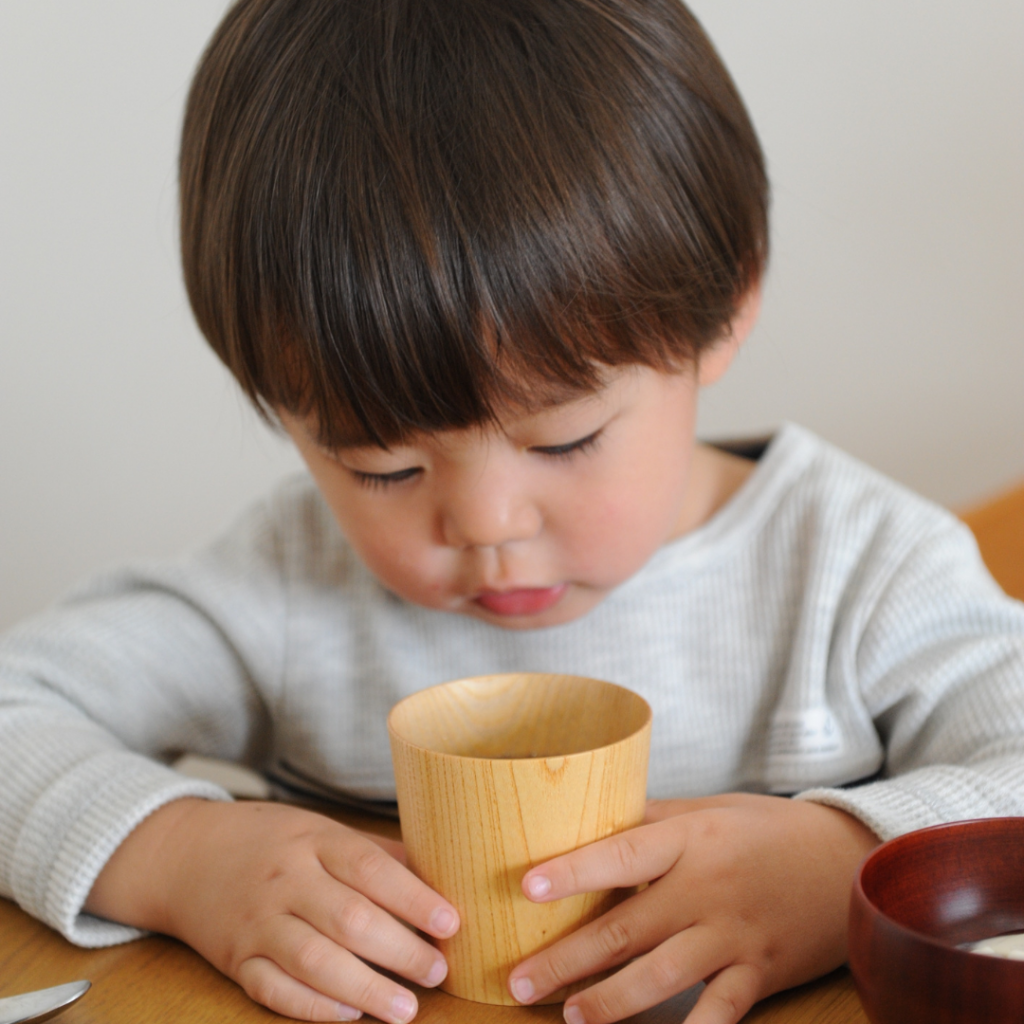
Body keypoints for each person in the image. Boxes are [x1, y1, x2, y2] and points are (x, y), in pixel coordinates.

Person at [2, 1, 1023, 1022]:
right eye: (385, 467)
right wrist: (183, 856)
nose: (485, 522)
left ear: (724, 310)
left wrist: (846, 856)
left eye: (563, 441)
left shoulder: (855, 566)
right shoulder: (286, 583)